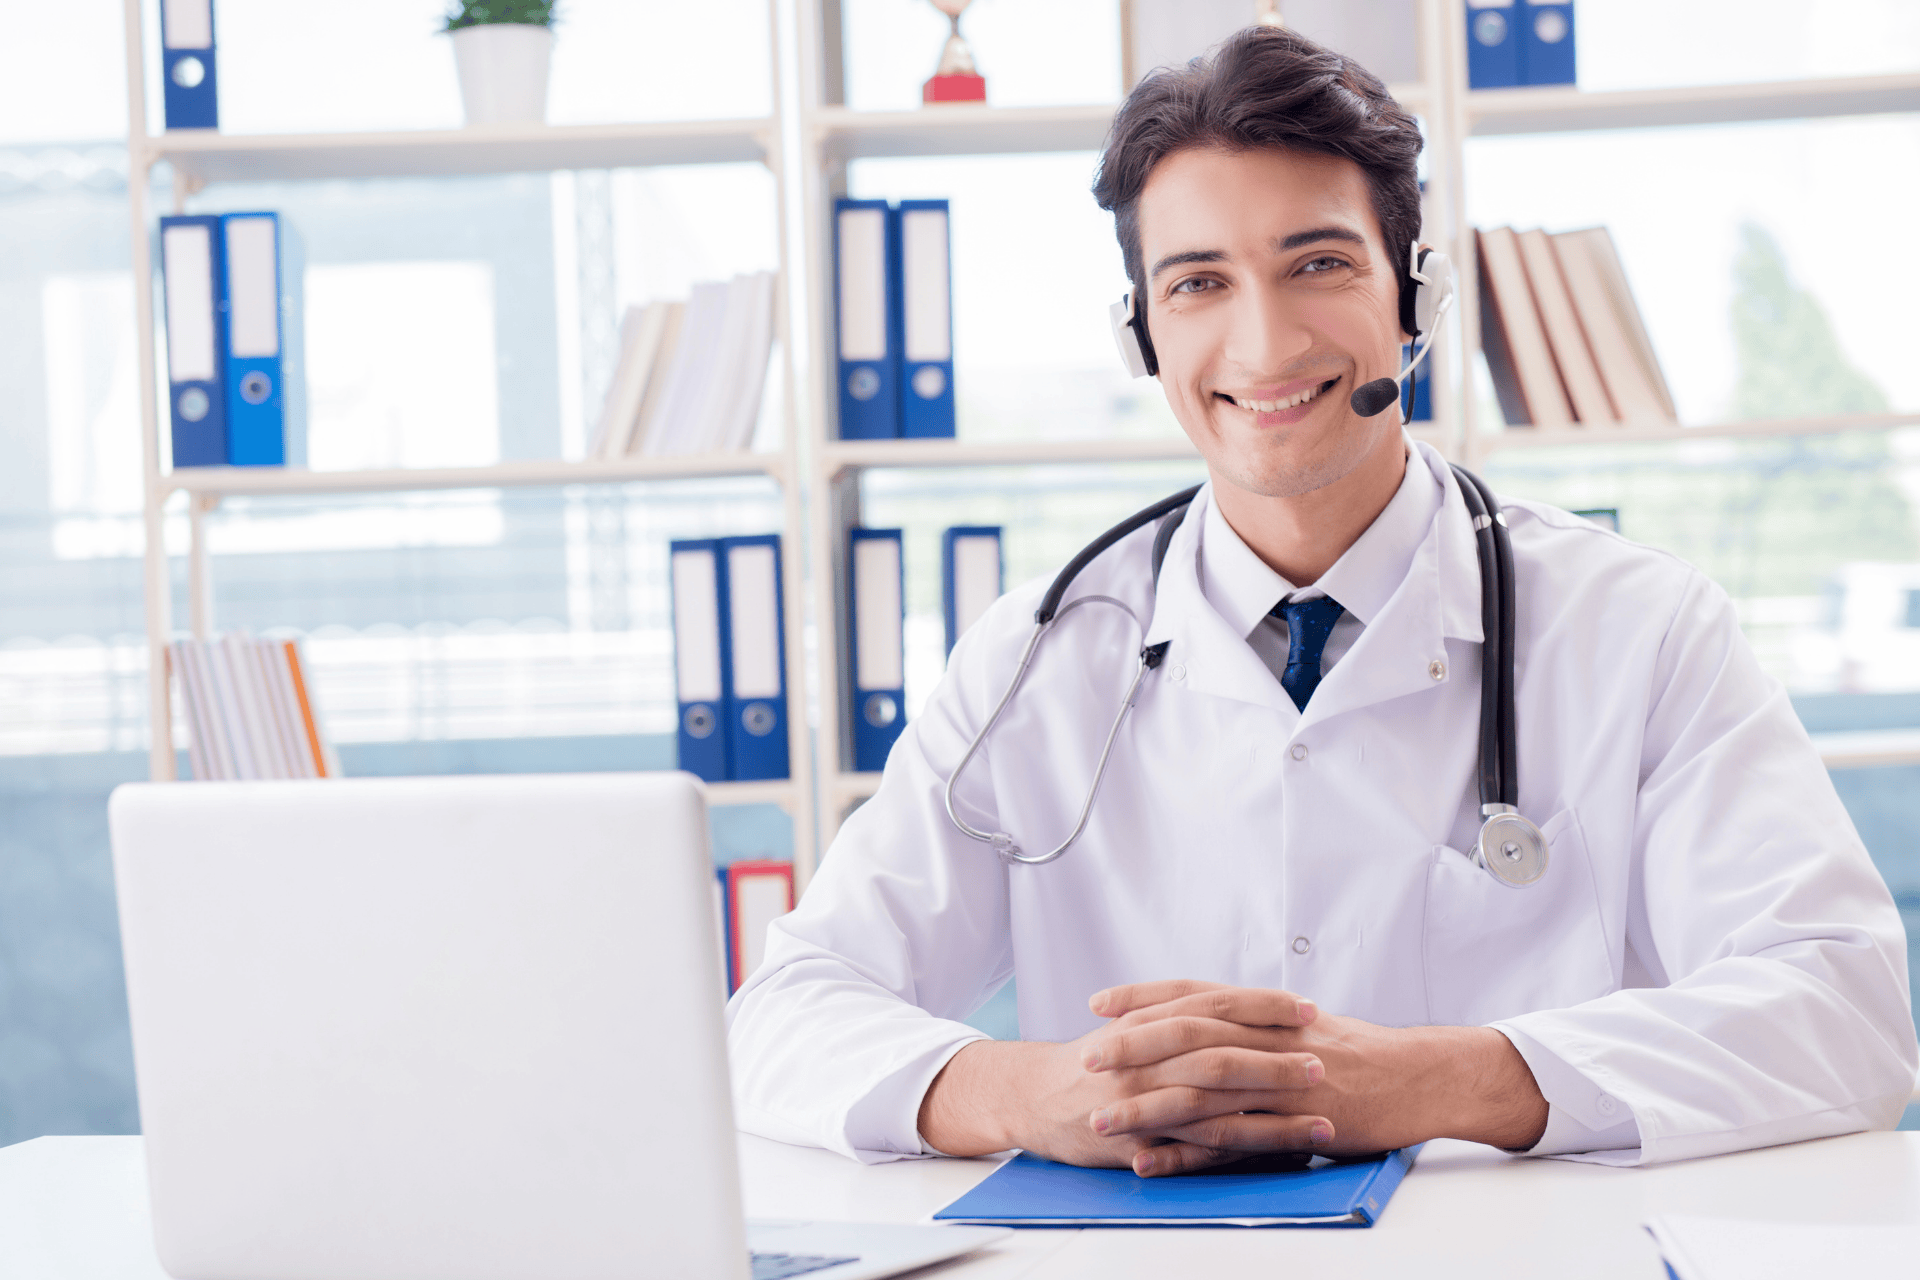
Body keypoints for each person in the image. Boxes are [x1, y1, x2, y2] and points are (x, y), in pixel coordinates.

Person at [727, 26, 1917, 1175]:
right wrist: (1029, 1093)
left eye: (1318, 264)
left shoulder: (1640, 630)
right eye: (1198, 282)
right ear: (1143, 334)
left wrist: (1438, 1080)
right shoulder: (1038, 656)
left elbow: (1846, 1005)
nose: (1265, 340)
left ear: (1416, 297)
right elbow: (783, 1013)